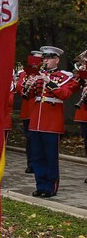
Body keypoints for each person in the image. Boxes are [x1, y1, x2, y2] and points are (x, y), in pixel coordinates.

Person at [22, 46, 79, 197]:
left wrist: (49, 81)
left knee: (50, 157)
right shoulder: (39, 75)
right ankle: (40, 185)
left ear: (57, 60)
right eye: (44, 58)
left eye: (48, 58)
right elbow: (27, 96)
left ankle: (50, 187)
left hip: (52, 123)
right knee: (36, 155)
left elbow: (65, 94)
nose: (45, 61)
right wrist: (29, 84)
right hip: (36, 122)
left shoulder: (64, 77)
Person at [17, 51, 42, 173]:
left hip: (40, 110)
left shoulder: (44, 74)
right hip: (27, 110)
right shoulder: (24, 74)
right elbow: (19, 88)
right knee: (29, 138)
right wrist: (26, 85)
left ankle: (39, 162)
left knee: (39, 138)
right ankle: (31, 163)